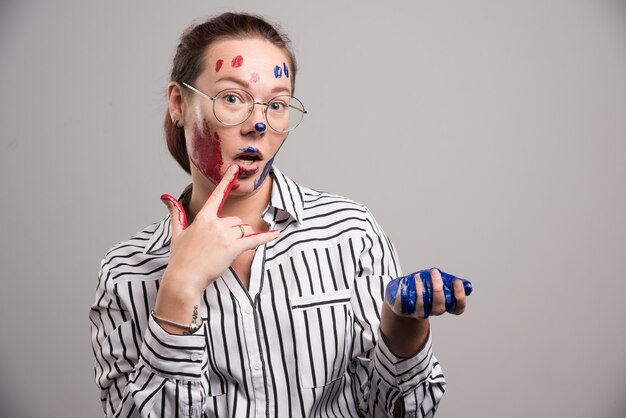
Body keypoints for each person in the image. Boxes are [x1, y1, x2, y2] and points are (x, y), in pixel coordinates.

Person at [89, 12, 470, 418]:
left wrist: (403, 327)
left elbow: (397, 411)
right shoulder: (126, 273)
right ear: (179, 103)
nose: (258, 123)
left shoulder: (350, 234)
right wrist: (180, 288)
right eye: (232, 98)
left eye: (276, 104)